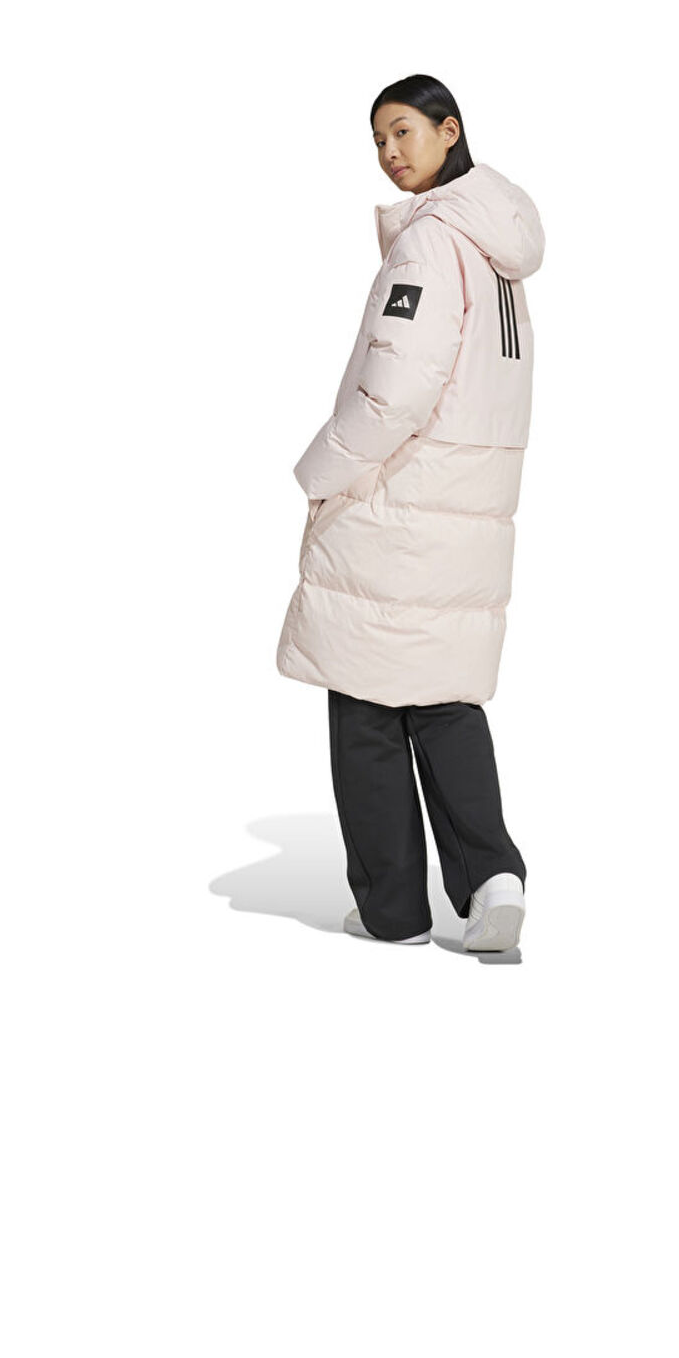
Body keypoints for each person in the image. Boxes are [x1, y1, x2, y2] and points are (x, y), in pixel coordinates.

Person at [276, 74, 545, 953]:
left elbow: (394, 391)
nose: (391, 153)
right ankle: (494, 883)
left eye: (404, 132)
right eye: (378, 141)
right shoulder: (494, 250)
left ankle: (393, 911)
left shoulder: (431, 241)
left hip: (397, 504)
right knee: (442, 699)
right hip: (468, 511)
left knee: (363, 701)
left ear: (449, 130)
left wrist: (321, 471)